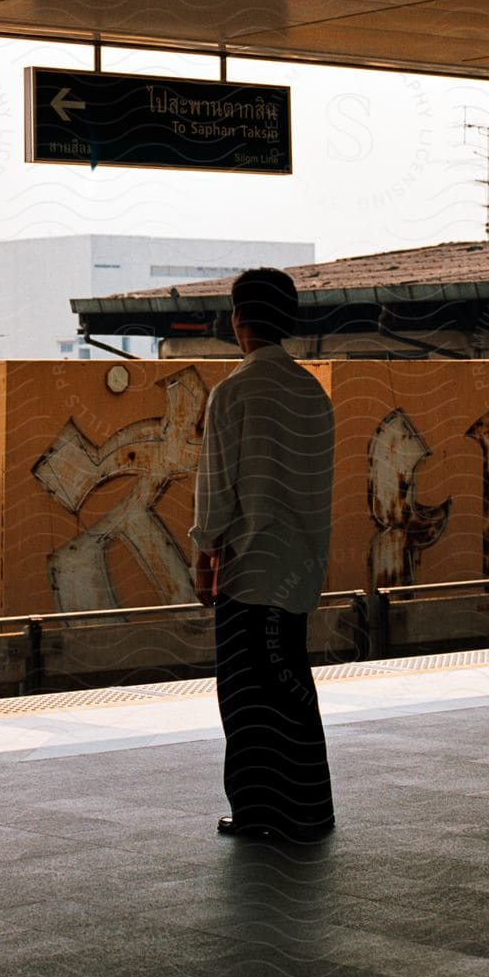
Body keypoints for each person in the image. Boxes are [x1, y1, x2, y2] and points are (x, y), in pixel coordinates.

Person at [190, 266, 336, 844]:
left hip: (248, 573)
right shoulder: (312, 393)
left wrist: (204, 558)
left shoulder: (234, 391)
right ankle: (311, 807)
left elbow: (216, 486)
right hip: (298, 573)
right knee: (293, 688)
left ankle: (258, 812)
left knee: (248, 698)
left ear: (239, 319)